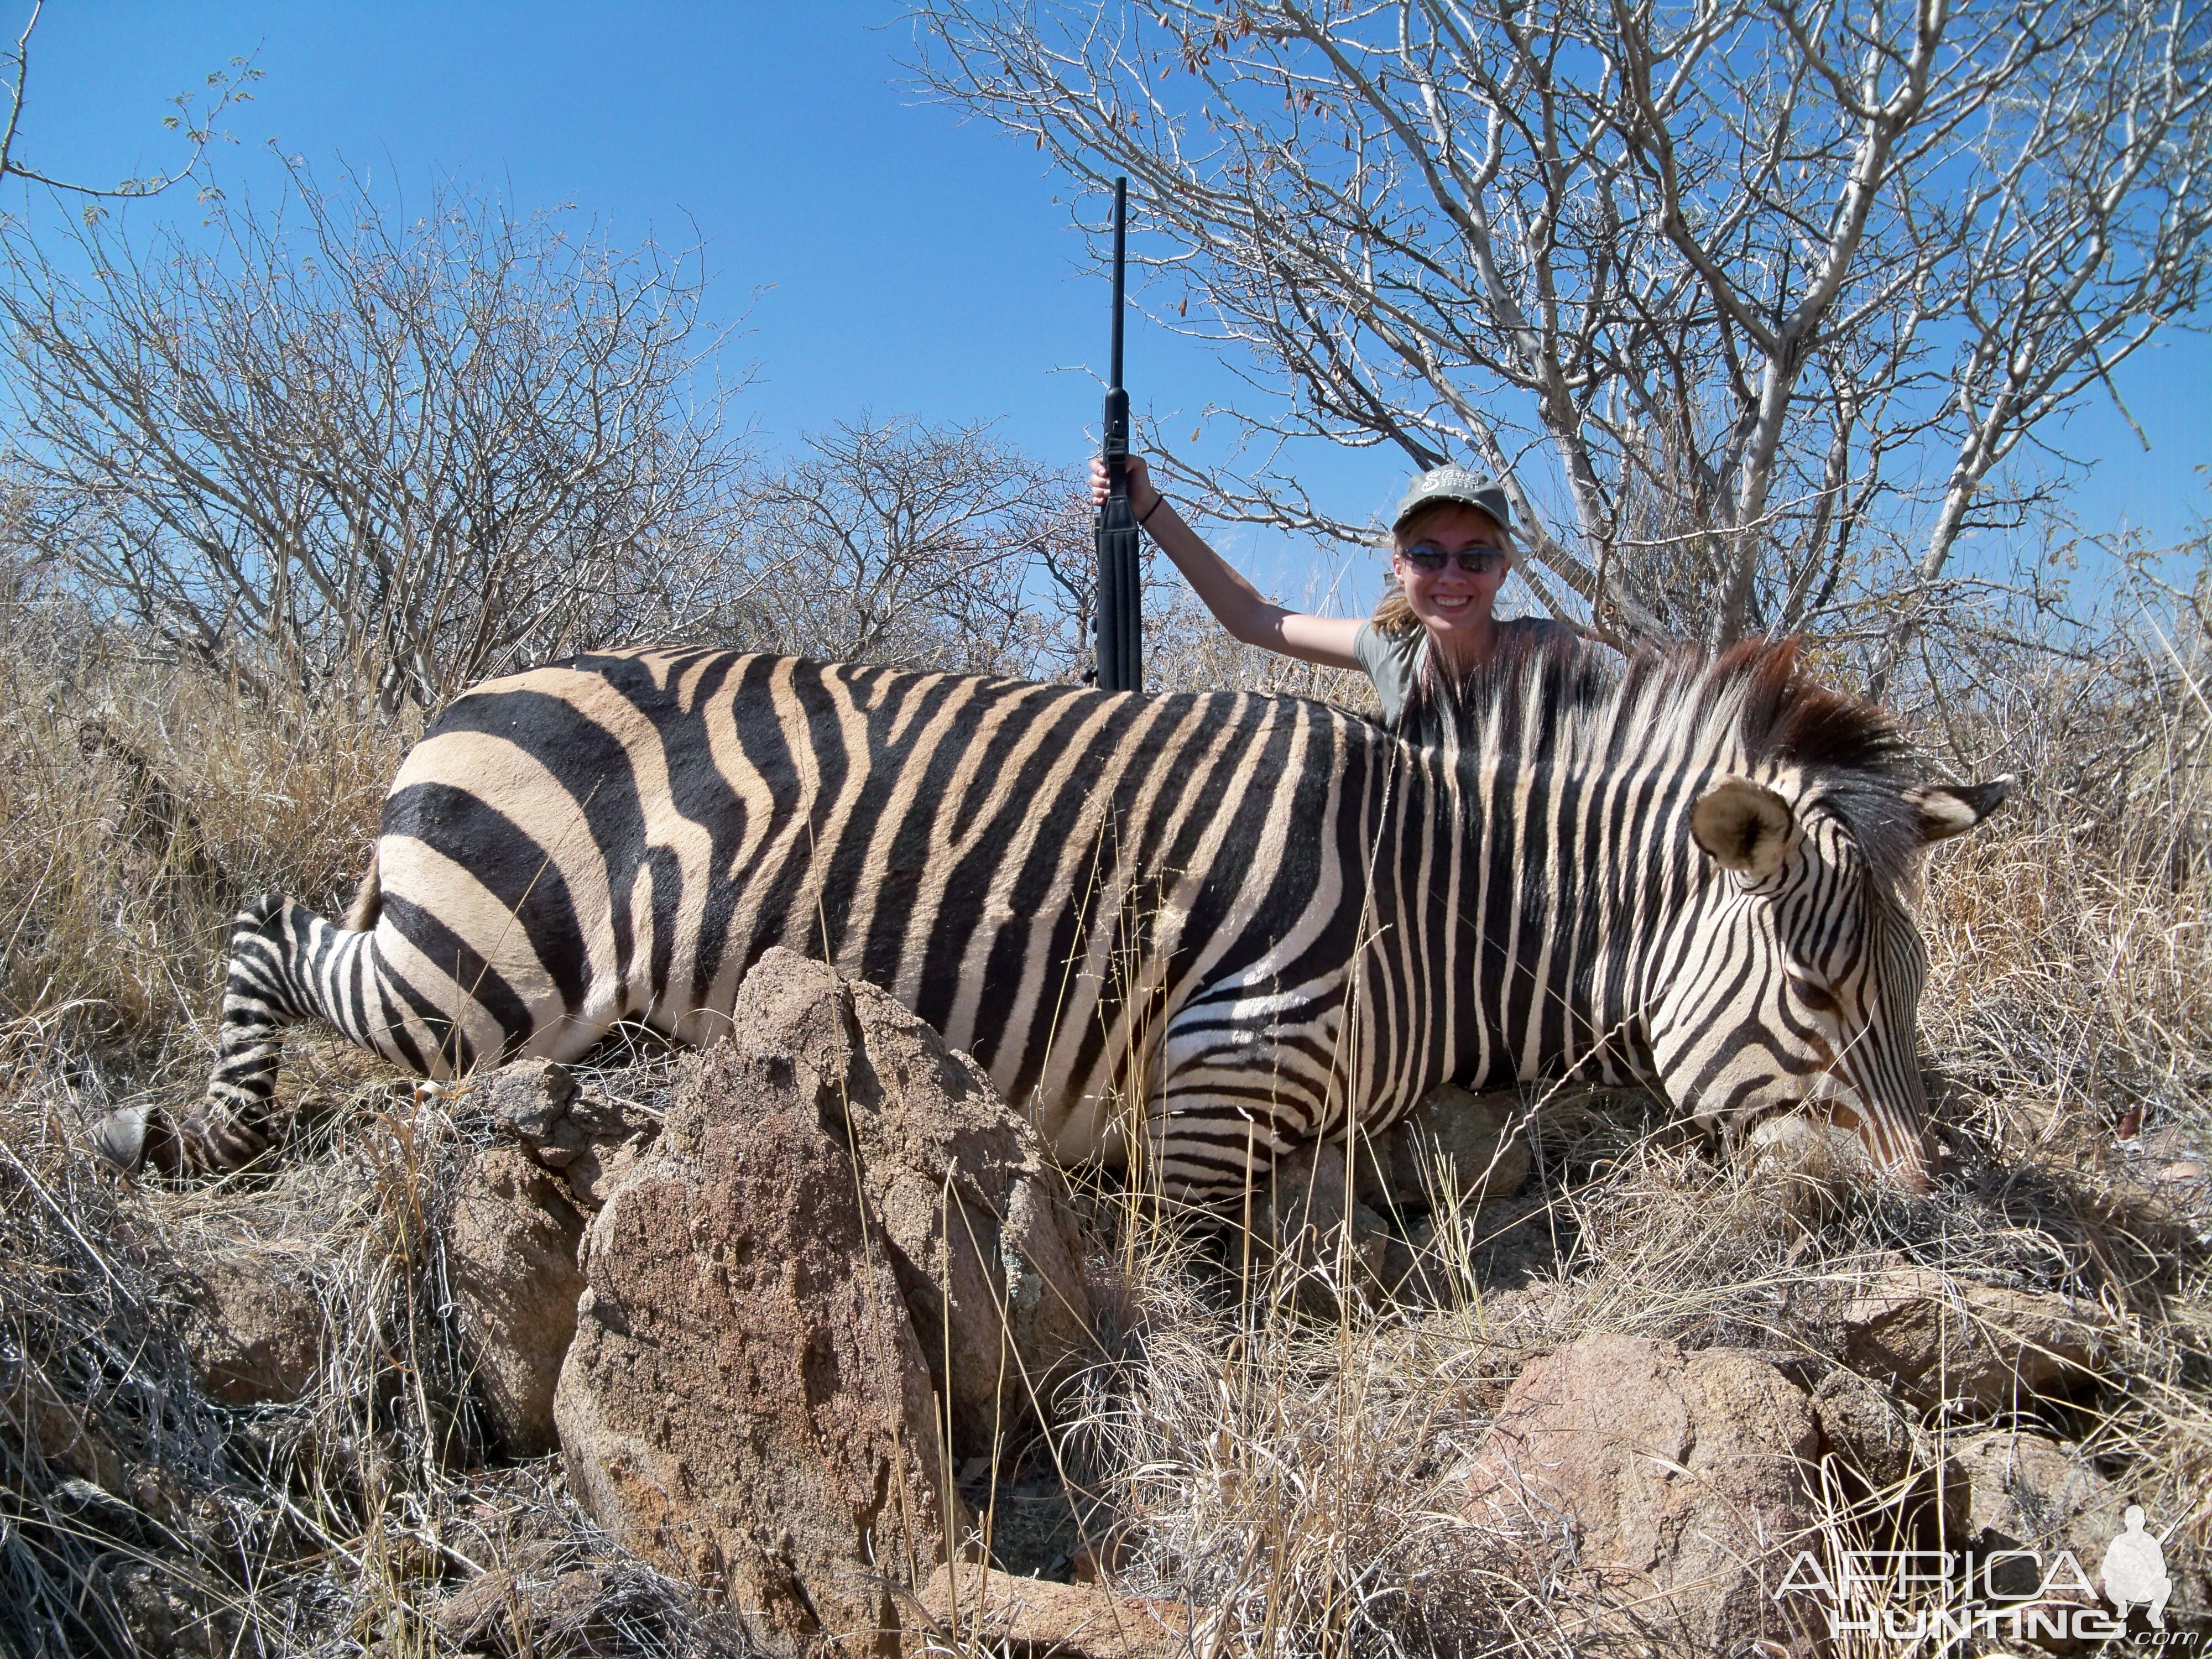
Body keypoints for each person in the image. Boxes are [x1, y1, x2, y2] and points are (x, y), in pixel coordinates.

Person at [1091, 453, 1574, 729]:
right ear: (1400, 566)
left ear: (1504, 570)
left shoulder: (1546, 650)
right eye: (1428, 556)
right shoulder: (1391, 649)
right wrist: (1146, 505)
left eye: (1476, 557)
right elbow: (1253, 618)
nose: (1451, 575)